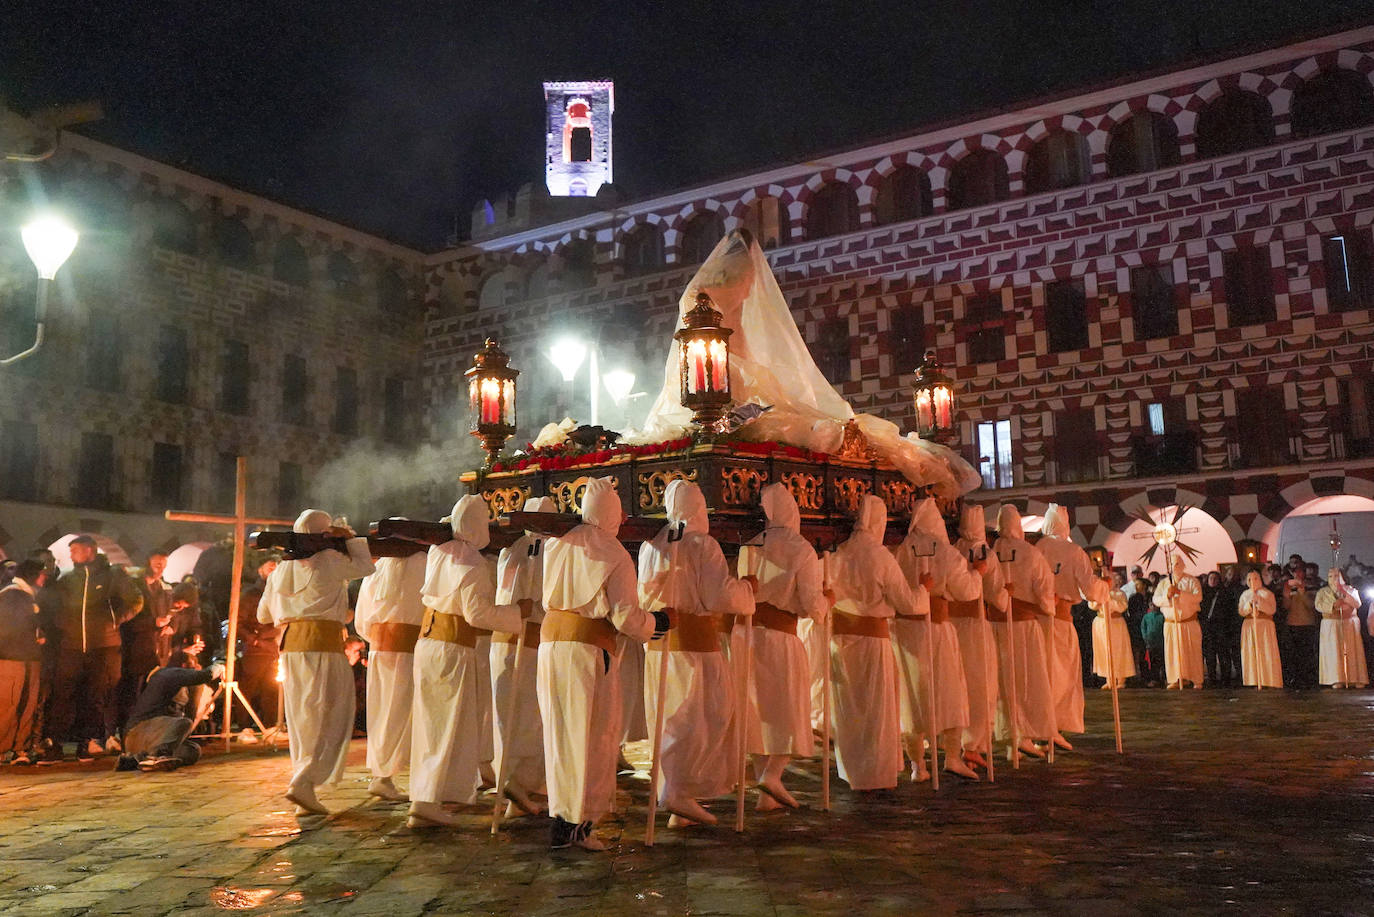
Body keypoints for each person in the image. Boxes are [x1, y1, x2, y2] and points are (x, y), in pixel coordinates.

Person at [539, 477, 671, 850]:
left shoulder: (558, 544)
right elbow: (626, 617)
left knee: (560, 736)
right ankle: (579, 823)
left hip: (550, 649)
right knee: (592, 737)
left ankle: (562, 818)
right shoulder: (613, 553)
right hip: (587, 652)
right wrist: (659, 622)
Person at [638, 479, 754, 825]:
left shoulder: (651, 545)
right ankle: (676, 791)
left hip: (659, 648)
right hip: (695, 650)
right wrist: (747, 589)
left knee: (671, 719)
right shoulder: (703, 544)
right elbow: (719, 595)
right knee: (701, 720)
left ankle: (679, 797)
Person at [407, 496, 525, 828]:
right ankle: (427, 800)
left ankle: (427, 798)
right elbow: (478, 614)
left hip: (428, 644)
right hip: (453, 650)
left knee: (432, 724)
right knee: (448, 726)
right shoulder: (471, 562)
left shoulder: (440, 551)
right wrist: (518, 613)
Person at [259, 510, 374, 816]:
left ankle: (305, 789)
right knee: (332, 716)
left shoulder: (279, 571)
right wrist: (349, 539)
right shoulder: (329, 560)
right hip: (323, 647)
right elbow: (366, 566)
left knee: (303, 721)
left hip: (291, 648)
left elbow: (263, 615)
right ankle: (304, 781)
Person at [736, 483, 822, 812]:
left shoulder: (749, 545)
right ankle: (772, 776)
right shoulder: (800, 549)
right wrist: (826, 602)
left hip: (746, 636)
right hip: (780, 638)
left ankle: (765, 795)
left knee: (759, 712)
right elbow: (811, 602)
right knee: (787, 710)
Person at [829, 494, 917, 791]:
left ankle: (853, 771)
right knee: (875, 711)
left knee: (849, 711)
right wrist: (924, 591)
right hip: (871, 643)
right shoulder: (880, 557)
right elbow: (907, 603)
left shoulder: (839, 552)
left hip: (840, 641)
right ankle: (875, 774)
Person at [893, 498, 977, 781]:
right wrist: (977, 575)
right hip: (937, 631)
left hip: (905, 631)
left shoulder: (901, 551)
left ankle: (918, 765)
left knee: (912, 695)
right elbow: (966, 591)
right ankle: (952, 756)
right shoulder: (946, 552)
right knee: (950, 692)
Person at [46, 536, 144, 761]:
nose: (71, 555)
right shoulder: (68, 579)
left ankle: (88, 741)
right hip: (71, 645)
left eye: (75, 550)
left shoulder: (113, 576)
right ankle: (55, 742)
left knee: (95, 695)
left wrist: (116, 619)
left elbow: (136, 600)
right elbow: (55, 605)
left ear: (89, 550)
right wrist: (62, 622)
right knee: (64, 693)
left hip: (103, 646)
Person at [492, 496, 557, 818]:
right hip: (529, 643)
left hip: (502, 643)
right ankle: (519, 783)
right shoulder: (546, 550)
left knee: (509, 719)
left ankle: (514, 795)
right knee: (532, 719)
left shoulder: (511, 549)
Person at [354, 550, 425, 802]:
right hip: (407, 648)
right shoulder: (422, 561)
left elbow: (361, 621)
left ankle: (383, 775)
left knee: (382, 711)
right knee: (399, 713)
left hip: (379, 648)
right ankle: (384, 777)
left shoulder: (375, 570)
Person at [1036, 504, 1107, 749]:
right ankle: (1052, 728)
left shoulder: (1036, 549)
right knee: (1062, 676)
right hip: (1060, 620)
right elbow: (1090, 589)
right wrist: (1105, 587)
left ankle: (1042, 728)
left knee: (1042, 674)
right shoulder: (1073, 551)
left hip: (1035, 622)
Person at [991, 504, 1056, 760]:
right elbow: (1044, 589)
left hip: (995, 626)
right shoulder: (1030, 553)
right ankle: (1022, 737)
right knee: (1026, 681)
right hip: (1024, 627)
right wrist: (1048, 607)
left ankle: (1013, 740)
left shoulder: (991, 553)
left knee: (1005, 682)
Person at [952, 504, 1000, 773]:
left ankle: (958, 742)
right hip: (976, 625)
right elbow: (997, 594)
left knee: (959, 684)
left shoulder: (951, 551)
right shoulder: (986, 554)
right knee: (982, 684)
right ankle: (973, 745)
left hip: (951, 627)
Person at [119, 652, 222, 771]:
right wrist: (220, 667)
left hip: (153, 735)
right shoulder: (169, 674)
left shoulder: (175, 681)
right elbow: (205, 675)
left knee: (192, 751)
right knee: (184, 723)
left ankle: (135, 759)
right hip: (139, 732)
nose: (196, 669)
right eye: (193, 666)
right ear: (183, 666)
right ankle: (158, 756)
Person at [118, 552, 174, 737]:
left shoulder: (163, 590)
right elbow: (126, 621)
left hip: (157, 650)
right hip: (136, 650)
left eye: (164, 565)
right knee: (133, 694)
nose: (161, 569)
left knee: (152, 695)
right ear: (148, 563)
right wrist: (153, 623)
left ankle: (147, 732)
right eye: (157, 564)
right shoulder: (134, 588)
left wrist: (169, 626)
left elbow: (170, 614)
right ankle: (129, 732)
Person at [0, 560, 48, 765]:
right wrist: (36, 636)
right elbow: (10, 628)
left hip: (29, 657)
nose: (45, 577)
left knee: (27, 702)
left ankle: (21, 746)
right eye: (42, 573)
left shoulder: (27, 594)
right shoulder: (12, 595)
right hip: (13, 658)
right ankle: (4, 747)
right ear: (32, 575)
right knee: (10, 703)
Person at [235, 555, 281, 733]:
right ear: (260, 570)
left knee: (271, 688)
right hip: (254, 649)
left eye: (276, 568)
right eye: (270, 567)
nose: (273, 571)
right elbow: (238, 622)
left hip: (272, 647)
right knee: (248, 687)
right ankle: (245, 727)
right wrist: (253, 639)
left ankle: (270, 725)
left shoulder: (280, 593)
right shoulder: (250, 594)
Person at [1316, 568, 1370, 689]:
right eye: (1330, 576)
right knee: (1334, 651)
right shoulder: (1323, 592)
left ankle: (1355, 678)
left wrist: (1344, 594)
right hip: (1331, 625)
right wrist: (1333, 605)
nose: (1333, 579)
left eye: (1336, 576)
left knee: (1352, 651)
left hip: (1349, 624)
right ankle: (1336, 678)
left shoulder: (1351, 590)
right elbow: (1318, 605)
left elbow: (1357, 603)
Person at [1091, 572, 1136, 689]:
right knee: (1104, 650)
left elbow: (1122, 607)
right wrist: (1099, 600)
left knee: (1118, 650)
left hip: (1116, 624)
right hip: (1102, 623)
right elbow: (1092, 605)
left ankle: (1120, 678)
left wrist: (1109, 599)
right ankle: (1109, 678)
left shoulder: (1120, 593)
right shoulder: (1098, 592)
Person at [1237, 571, 1282, 688]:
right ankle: (1254, 679)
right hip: (1250, 625)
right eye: (1250, 579)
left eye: (1255, 578)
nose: (1253, 581)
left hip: (1264, 625)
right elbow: (1241, 611)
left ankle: (1268, 679)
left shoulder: (1267, 593)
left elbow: (1271, 610)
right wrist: (1249, 605)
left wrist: (1259, 601)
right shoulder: (1245, 595)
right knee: (1251, 651)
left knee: (1266, 651)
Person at [1283, 568, 1320, 689]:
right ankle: (1295, 678)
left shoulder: (1311, 586)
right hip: (1292, 624)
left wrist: (1302, 591)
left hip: (1307, 624)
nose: (1297, 574)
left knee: (1307, 653)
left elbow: (1311, 605)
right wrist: (1287, 596)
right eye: (1295, 572)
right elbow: (1286, 606)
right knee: (1294, 653)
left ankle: (1308, 678)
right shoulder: (1289, 586)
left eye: (1300, 572)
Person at [1124, 577, 1152, 686]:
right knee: (1138, 652)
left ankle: (1148, 676)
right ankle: (1139, 676)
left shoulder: (1149, 596)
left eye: (1138, 584)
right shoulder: (1134, 598)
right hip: (1136, 627)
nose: (1136, 586)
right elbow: (1133, 613)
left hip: (1148, 626)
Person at [1140, 598, 1166, 687]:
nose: (1153, 607)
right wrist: (1145, 638)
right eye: (1151, 605)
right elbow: (1143, 628)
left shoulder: (1162, 616)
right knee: (1152, 662)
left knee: (1162, 661)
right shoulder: (1146, 617)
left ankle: (1164, 678)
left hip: (1160, 643)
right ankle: (1154, 679)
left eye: (1155, 605)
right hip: (1150, 643)